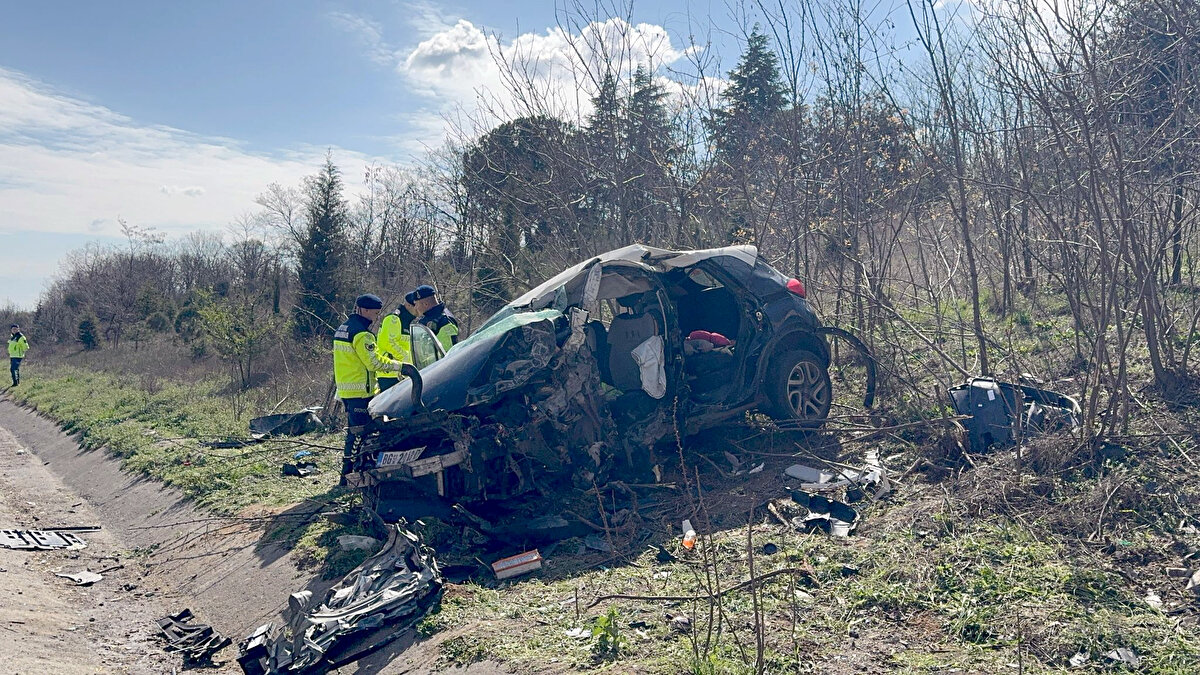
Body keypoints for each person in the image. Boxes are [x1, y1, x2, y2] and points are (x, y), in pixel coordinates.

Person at [332, 294, 403, 482]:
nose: (377, 316)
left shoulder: (343, 328)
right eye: (375, 312)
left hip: (348, 389)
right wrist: (401, 366)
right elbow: (374, 362)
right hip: (360, 392)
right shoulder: (362, 334)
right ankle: (348, 477)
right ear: (363, 309)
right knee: (357, 435)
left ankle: (353, 473)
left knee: (357, 433)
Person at [376, 293, 418, 392]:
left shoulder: (408, 321)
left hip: (401, 372)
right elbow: (388, 343)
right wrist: (406, 358)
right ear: (408, 305)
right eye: (416, 306)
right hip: (389, 374)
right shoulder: (394, 318)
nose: (418, 309)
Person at [412, 284, 460, 350]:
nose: (415, 307)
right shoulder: (429, 319)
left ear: (425, 304)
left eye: (416, 304)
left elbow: (446, 355)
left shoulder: (444, 322)